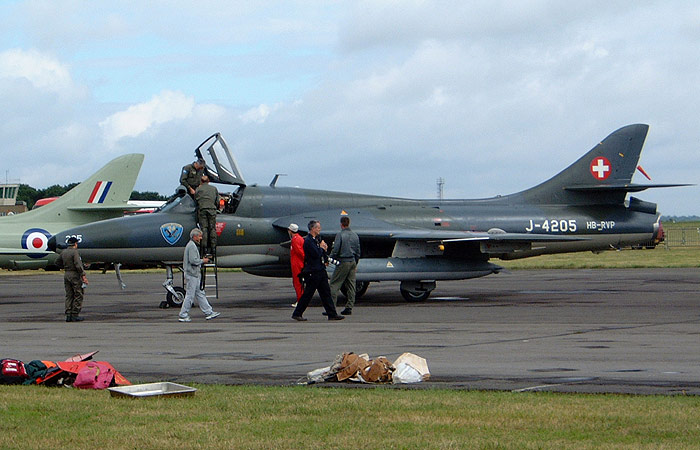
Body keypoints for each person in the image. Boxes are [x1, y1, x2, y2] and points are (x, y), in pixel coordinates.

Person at [291, 220, 344, 322]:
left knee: (326, 293)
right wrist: (322, 249)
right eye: (318, 228)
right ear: (313, 229)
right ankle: (297, 313)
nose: (319, 229)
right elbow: (316, 253)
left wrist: (323, 250)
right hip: (313, 272)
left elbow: (321, 253)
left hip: (320, 270)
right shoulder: (308, 241)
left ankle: (332, 314)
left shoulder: (316, 239)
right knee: (308, 294)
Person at [178, 228, 220, 322]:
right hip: (192, 274)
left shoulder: (191, 245)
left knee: (200, 293)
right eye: (200, 236)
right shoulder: (192, 246)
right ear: (195, 236)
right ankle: (183, 314)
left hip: (194, 274)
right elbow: (193, 261)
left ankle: (209, 312)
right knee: (190, 295)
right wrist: (203, 261)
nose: (201, 238)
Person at [329, 216, 361, 315]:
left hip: (343, 262)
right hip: (352, 261)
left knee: (334, 284)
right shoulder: (355, 235)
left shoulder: (340, 235)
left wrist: (329, 258)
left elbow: (336, 249)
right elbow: (358, 251)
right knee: (351, 285)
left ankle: (331, 308)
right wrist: (355, 263)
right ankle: (349, 307)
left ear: (341, 224)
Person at [56, 237, 88, 322]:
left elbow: (57, 262)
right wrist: (83, 275)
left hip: (67, 274)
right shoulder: (75, 252)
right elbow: (78, 264)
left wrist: (65, 267)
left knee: (69, 295)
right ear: (75, 244)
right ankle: (75, 314)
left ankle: (68, 315)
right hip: (75, 275)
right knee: (78, 294)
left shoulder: (64, 252)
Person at [195, 174, 219, 255]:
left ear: (201, 181)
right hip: (212, 210)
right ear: (208, 181)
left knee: (204, 229)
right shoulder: (214, 189)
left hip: (202, 210)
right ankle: (213, 248)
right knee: (212, 228)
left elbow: (196, 201)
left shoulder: (198, 189)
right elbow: (217, 201)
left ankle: (204, 249)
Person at [288, 223, 304, 307]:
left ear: (291, 231)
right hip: (298, 263)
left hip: (297, 264)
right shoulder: (300, 238)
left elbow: (300, 252)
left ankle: (300, 301)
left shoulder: (295, 240)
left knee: (297, 283)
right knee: (299, 283)